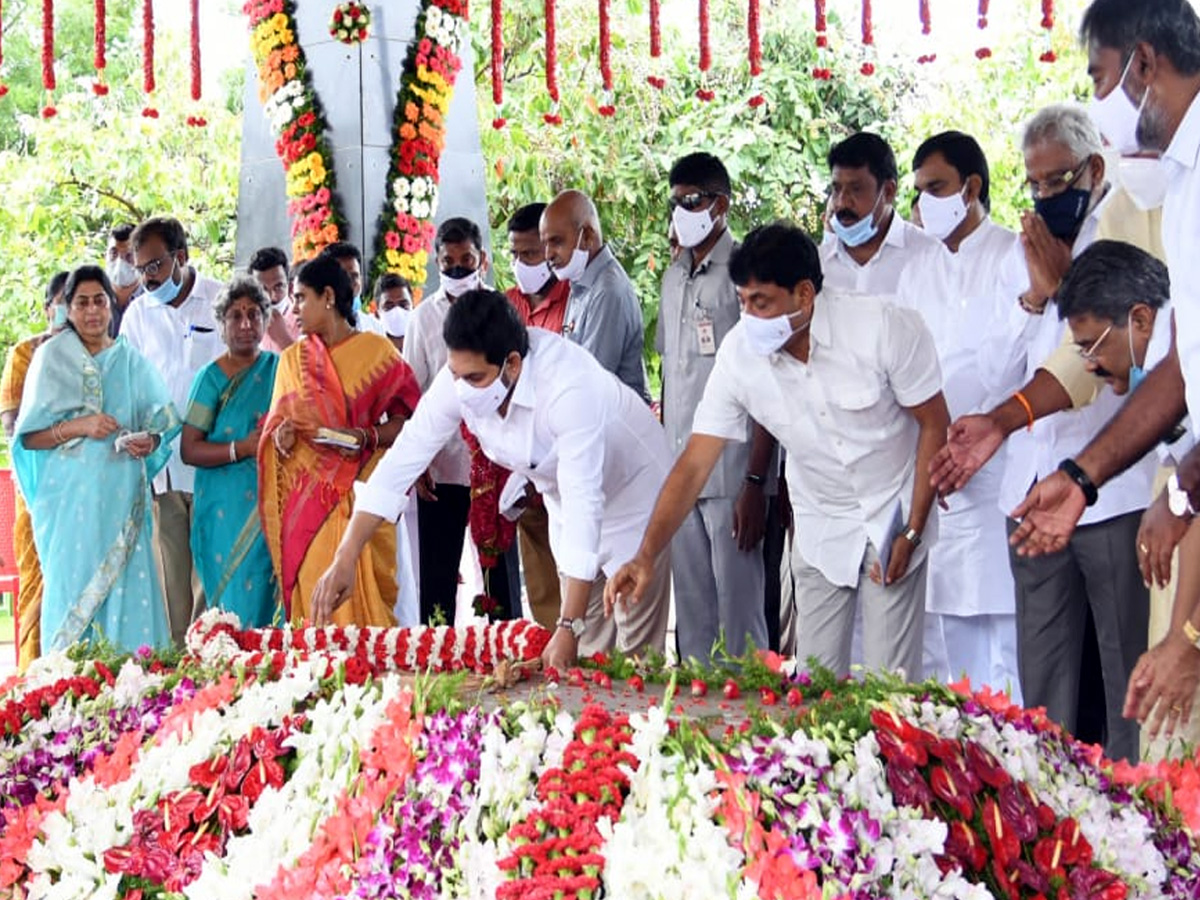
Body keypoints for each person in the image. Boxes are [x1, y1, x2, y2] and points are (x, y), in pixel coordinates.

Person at [609, 223, 949, 680]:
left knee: (889, 683)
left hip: (893, 512)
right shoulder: (739, 354)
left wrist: (912, 530)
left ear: (805, 294)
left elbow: (934, 423)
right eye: (742, 301)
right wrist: (645, 555)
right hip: (821, 521)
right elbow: (694, 464)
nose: (747, 315)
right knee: (816, 686)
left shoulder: (882, 327)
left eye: (761, 302)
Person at [1006, 0, 1200, 740]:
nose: (1096, 103)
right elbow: (1184, 366)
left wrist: (1182, 486)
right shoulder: (1174, 186)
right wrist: (1082, 477)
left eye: (1098, 78)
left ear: (1144, 64)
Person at [312, 290, 671, 671]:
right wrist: (346, 555)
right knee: (587, 656)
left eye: (474, 377)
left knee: (636, 663)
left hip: (634, 499)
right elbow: (403, 459)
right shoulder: (463, 379)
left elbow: (587, 502)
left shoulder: (568, 386)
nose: (461, 388)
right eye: (455, 375)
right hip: (567, 504)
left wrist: (566, 625)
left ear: (512, 364)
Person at [901, 132, 1022, 698]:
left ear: (972, 187)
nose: (925, 203)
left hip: (1004, 472)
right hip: (940, 475)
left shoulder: (1012, 255)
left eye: (937, 188)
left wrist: (977, 443)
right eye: (920, 191)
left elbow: (1017, 365)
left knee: (1010, 649)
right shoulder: (918, 269)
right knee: (954, 656)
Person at [12, 265, 179, 654]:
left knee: (130, 594)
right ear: (67, 310)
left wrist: (149, 441)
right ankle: (70, 697)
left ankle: (135, 694)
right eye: (82, 303)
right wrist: (80, 426)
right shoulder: (50, 358)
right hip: (69, 507)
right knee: (72, 594)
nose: (92, 311)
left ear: (111, 306)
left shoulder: (130, 360)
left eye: (100, 301)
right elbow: (30, 439)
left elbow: (164, 422)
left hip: (122, 500)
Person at [259, 254, 421, 627]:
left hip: (361, 497)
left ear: (328, 297)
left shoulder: (377, 353)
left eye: (301, 298)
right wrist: (281, 434)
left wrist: (367, 436)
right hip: (307, 507)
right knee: (316, 605)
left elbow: (410, 423)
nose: (293, 308)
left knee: (364, 610)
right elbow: (277, 428)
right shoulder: (291, 360)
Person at [658, 152, 770, 661]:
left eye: (692, 201)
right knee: (695, 613)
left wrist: (757, 483)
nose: (681, 211)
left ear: (720, 204)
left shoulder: (745, 271)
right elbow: (671, 376)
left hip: (732, 471)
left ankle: (755, 727)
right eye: (675, 201)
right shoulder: (672, 276)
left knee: (740, 612)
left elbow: (769, 382)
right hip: (682, 468)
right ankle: (695, 720)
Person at [122, 216, 225, 646]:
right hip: (163, 468)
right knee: (171, 577)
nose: (146, 278)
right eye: (139, 268)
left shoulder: (220, 300)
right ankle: (178, 667)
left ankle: (213, 661)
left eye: (154, 266)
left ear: (181, 257)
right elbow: (128, 385)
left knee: (212, 574)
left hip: (215, 464)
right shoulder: (138, 314)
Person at [404, 217, 498, 625]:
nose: (458, 270)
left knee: (499, 577)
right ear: (436, 262)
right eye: (449, 263)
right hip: (441, 467)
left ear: (483, 261)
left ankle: (509, 648)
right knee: (437, 577)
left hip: (496, 462)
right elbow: (411, 393)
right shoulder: (422, 318)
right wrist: (418, 461)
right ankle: (435, 663)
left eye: (467, 261)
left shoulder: (499, 309)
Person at [180, 278, 280, 628]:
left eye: (254, 314)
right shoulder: (210, 378)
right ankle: (228, 679)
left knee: (270, 607)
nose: (246, 324)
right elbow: (189, 449)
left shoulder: (280, 370)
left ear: (267, 321)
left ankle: (274, 681)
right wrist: (242, 448)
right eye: (235, 316)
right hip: (222, 508)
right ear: (221, 326)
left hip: (271, 507)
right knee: (231, 609)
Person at [502, 202, 569, 628]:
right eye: (515, 254)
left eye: (530, 254)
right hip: (524, 455)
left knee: (577, 560)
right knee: (539, 570)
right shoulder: (506, 306)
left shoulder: (574, 297)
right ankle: (550, 649)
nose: (522, 264)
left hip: (566, 449)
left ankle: (585, 648)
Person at [0, 271, 69, 670]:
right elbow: (12, 423)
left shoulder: (95, 354)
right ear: (47, 308)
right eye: (59, 301)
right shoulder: (25, 353)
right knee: (38, 580)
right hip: (37, 487)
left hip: (84, 486)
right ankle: (33, 673)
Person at [541, 190, 650, 402]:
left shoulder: (608, 290)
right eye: (545, 244)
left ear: (588, 236)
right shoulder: (581, 282)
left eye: (556, 241)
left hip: (616, 425)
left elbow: (590, 380)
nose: (548, 254)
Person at [819, 132, 950, 298]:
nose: (842, 202)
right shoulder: (819, 264)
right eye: (837, 189)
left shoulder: (929, 257)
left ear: (888, 191)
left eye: (856, 189)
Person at [321, 241, 388, 336]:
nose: (348, 284)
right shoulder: (314, 333)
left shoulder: (375, 328)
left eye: (354, 276)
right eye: (342, 278)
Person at [248, 246, 300, 353]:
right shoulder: (244, 325)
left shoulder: (306, 321)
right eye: (263, 289)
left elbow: (312, 368)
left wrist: (282, 338)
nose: (272, 297)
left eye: (278, 287)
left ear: (290, 286)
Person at [105, 223, 141, 335]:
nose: (120, 261)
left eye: (129, 255)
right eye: (114, 253)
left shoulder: (153, 301)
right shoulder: (93, 302)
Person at [375, 273, 413, 355]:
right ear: (377, 313)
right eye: (389, 307)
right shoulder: (372, 352)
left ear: (413, 307)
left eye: (403, 305)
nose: (397, 311)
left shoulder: (425, 344)